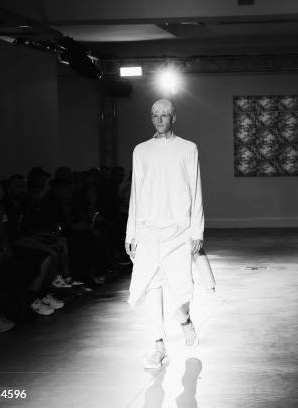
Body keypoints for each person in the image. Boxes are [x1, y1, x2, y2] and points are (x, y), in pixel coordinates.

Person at [125, 99, 205, 369]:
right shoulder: (141, 150)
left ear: (174, 117)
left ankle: (183, 318)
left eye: (164, 115)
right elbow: (136, 191)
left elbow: (195, 190)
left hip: (179, 230)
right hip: (148, 230)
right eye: (154, 115)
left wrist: (197, 230)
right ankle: (158, 345)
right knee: (151, 286)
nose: (159, 120)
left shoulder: (188, 148)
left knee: (182, 289)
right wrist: (131, 232)